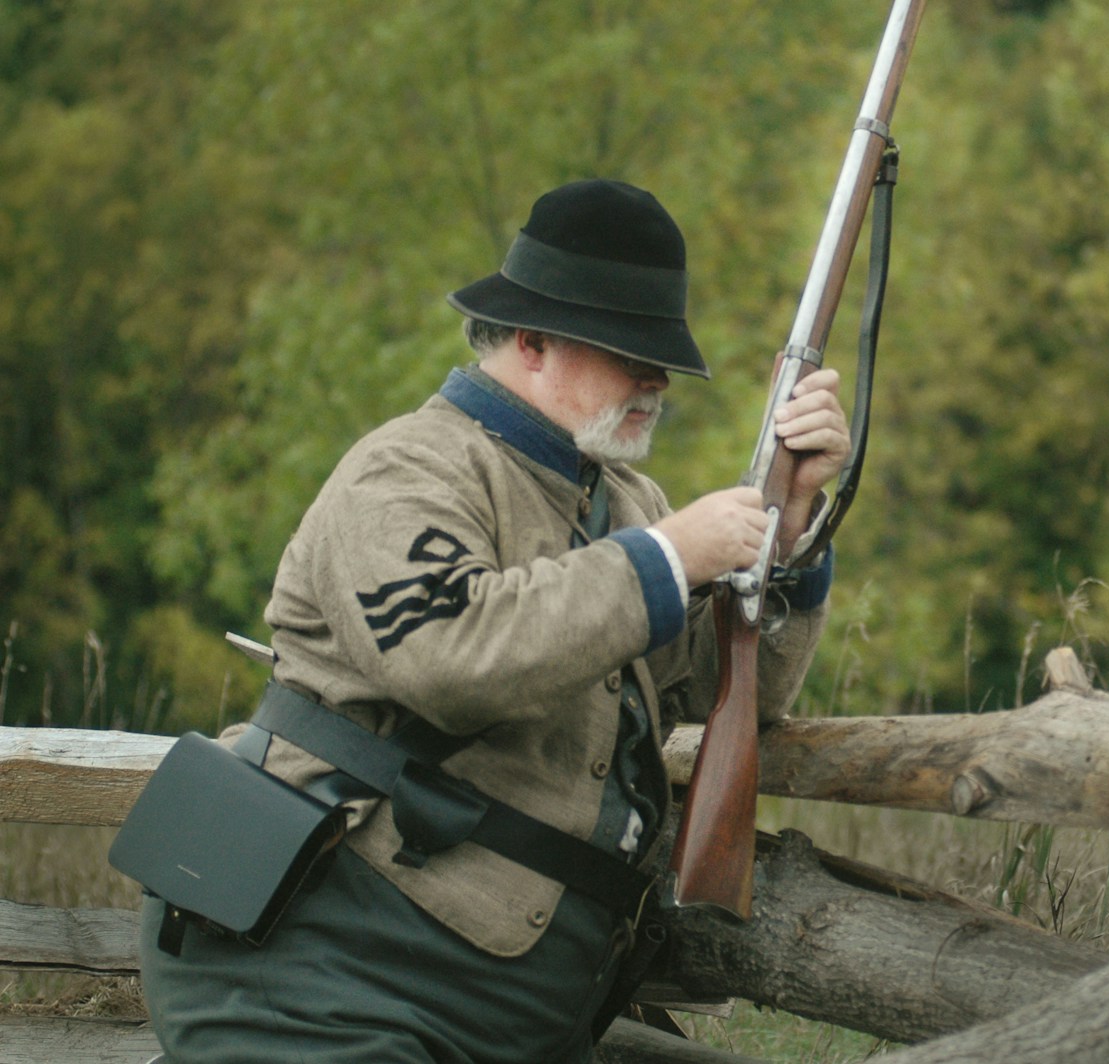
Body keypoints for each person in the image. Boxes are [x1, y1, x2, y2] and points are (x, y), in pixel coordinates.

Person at [137, 179, 849, 1062]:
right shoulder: (406, 467)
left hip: (499, 1002)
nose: (655, 377)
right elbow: (445, 654)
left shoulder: (625, 502)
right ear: (533, 340)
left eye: (660, 355)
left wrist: (793, 528)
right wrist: (670, 556)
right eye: (629, 349)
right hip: (332, 972)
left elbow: (719, 687)